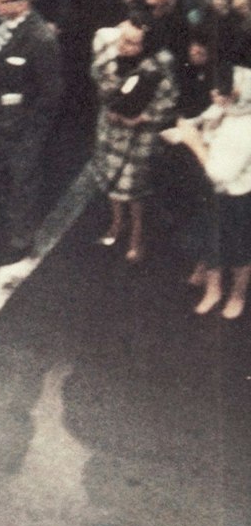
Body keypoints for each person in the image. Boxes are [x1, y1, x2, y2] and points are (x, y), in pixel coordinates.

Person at [0, 0, 63, 251]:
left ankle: (21, 233)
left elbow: (50, 92)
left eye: (2, 0)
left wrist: (27, 122)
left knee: (23, 177)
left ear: (23, 4)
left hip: (22, 123)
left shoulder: (41, 39)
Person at [166, 65, 251, 318]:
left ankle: (237, 293)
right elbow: (204, 117)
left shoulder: (245, 127)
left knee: (240, 248)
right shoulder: (228, 101)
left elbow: (220, 173)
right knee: (209, 236)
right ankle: (213, 289)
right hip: (213, 190)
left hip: (238, 195)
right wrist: (186, 128)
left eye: (220, 92)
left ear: (235, 94)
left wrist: (192, 141)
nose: (214, 94)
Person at [91, 20, 179, 263]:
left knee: (133, 187)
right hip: (110, 127)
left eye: (131, 42)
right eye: (122, 39)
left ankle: (137, 236)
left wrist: (143, 117)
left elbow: (168, 101)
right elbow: (98, 78)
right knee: (111, 178)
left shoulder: (161, 64)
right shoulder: (110, 50)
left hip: (139, 135)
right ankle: (117, 222)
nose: (123, 46)